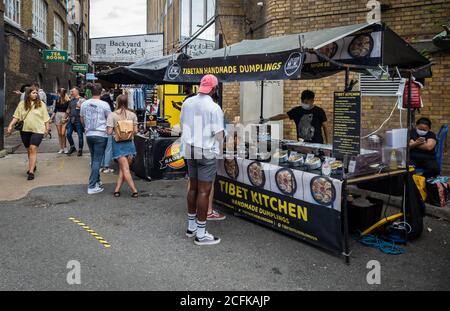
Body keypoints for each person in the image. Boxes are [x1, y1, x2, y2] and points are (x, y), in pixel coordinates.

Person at [181, 74, 224, 246]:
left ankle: (191, 227)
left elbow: (182, 123)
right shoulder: (214, 108)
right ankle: (201, 233)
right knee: (204, 191)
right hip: (206, 151)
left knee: (193, 187)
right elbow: (219, 135)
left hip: (189, 148)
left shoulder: (187, 102)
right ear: (214, 89)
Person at [7, 87, 51, 180]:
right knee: (28, 149)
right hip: (25, 130)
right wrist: (10, 125)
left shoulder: (41, 104)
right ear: (28, 94)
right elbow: (16, 116)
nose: (35, 94)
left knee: (33, 148)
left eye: (36, 93)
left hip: (38, 130)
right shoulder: (22, 104)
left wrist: (47, 128)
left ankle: (31, 171)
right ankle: (33, 164)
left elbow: (46, 118)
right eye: (33, 93)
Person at [80, 83, 112, 195]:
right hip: (101, 134)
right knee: (97, 160)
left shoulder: (84, 103)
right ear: (101, 92)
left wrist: (87, 128)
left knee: (94, 159)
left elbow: (82, 119)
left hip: (89, 134)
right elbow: (110, 119)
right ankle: (92, 186)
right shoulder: (105, 104)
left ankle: (97, 181)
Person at [264, 90, 329, 144]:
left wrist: (327, 142)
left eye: (306, 102)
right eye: (303, 102)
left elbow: (325, 127)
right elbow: (282, 116)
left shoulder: (319, 111)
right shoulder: (297, 111)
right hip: (302, 144)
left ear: (312, 101)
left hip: (317, 143)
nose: (304, 104)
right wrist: (268, 119)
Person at [106, 94, 139, 198]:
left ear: (118, 102)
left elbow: (109, 132)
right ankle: (117, 190)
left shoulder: (112, 115)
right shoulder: (132, 115)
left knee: (125, 169)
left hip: (118, 144)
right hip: (129, 143)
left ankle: (134, 191)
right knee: (123, 168)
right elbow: (136, 131)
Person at [66, 87, 86, 156]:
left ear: (77, 91)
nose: (71, 93)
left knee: (80, 135)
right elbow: (68, 109)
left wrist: (80, 106)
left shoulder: (82, 100)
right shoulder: (71, 100)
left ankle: (80, 149)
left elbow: (86, 110)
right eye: (71, 92)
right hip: (71, 119)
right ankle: (72, 147)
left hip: (78, 119)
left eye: (72, 91)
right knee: (68, 134)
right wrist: (64, 118)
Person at [51, 88, 70, 153]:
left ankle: (65, 147)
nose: (57, 94)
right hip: (57, 116)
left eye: (58, 93)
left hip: (64, 116)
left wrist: (66, 118)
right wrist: (51, 118)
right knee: (59, 133)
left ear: (61, 93)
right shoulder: (57, 100)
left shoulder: (67, 100)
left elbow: (68, 110)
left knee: (63, 133)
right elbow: (55, 110)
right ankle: (61, 148)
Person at [100, 89, 115, 174]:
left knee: (101, 148)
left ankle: (101, 166)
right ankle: (106, 167)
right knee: (108, 149)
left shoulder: (100, 108)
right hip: (108, 130)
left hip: (101, 131)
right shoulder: (110, 110)